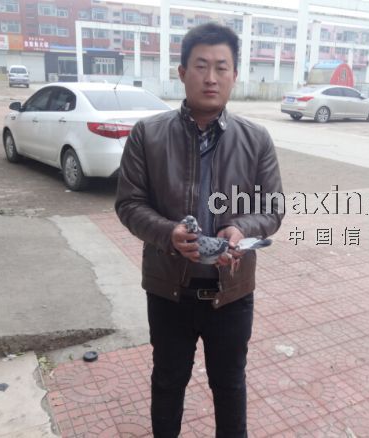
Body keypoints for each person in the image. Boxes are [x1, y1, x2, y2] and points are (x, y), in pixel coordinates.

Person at [115, 22, 284, 438]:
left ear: (234, 75)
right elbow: (129, 204)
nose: (211, 77)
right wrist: (168, 234)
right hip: (170, 291)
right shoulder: (147, 135)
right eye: (201, 65)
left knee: (229, 386)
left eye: (221, 67)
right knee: (168, 382)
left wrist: (239, 227)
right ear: (182, 72)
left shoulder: (256, 139)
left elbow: (272, 207)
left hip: (232, 293)